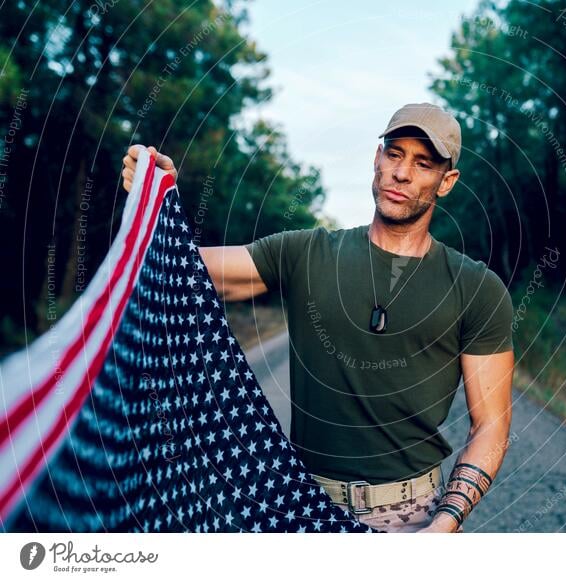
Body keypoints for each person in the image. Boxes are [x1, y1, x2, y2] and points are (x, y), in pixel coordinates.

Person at [121, 102, 515, 532]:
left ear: (446, 182)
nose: (401, 173)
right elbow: (180, 266)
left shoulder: (478, 288)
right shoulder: (305, 252)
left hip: (412, 514)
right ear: (377, 157)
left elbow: (491, 426)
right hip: (300, 502)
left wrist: (444, 524)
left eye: (423, 163)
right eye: (395, 153)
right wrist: (157, 203)